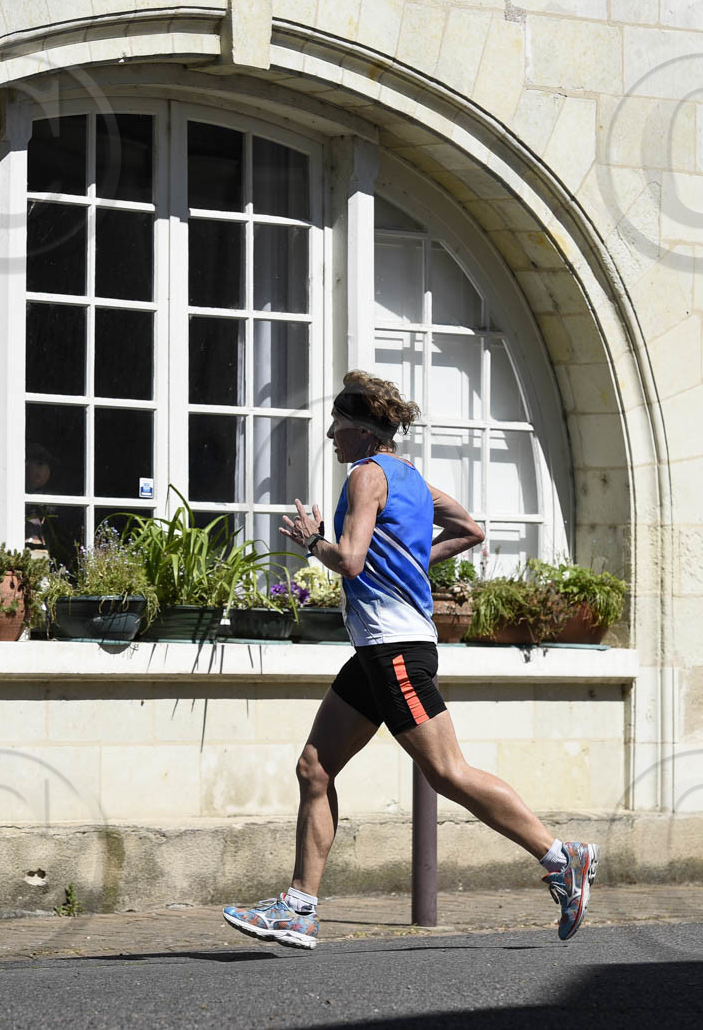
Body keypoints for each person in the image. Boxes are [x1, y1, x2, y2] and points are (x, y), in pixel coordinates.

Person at [220, 371, 598, 951]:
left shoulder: (366, 474)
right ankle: (298, 909)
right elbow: (469, 530)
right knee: (315, 769)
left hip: (394, 647)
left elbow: (349, 560)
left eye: (337, 425)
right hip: (376, 649)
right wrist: (411, 562)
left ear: (362, 430)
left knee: (447, 772)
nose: (331, 435)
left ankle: (560, 857)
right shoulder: (413, 479)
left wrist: (313, 541)